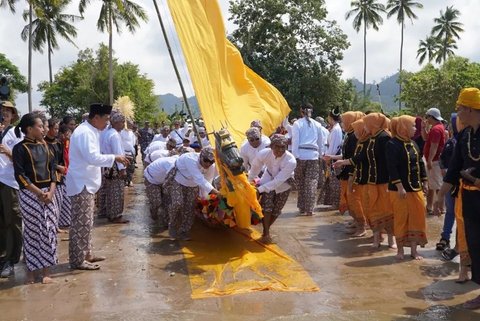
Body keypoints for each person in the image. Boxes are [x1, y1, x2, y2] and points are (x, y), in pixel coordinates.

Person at [66, 103, 129, 270]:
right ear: (95, 118)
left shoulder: (91, 130)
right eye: (106, 119)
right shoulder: (85, 132)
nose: (107, 123)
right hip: (82, 184)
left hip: (86, 183)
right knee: (81, 223)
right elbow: (92, 158)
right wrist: (115, 157)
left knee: (87, 221)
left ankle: (87, 253)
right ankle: (77, 260)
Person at [435, 88, 480, 309]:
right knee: (475, 244)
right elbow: (453, 170)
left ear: (471, 109)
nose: (458, 112)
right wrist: (440, 195)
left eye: (461, 108)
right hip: (470, 200)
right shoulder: (464, 136)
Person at [335, 113, 395, 248]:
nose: (364, 125)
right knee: (372, 210)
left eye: (366, 123)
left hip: (383, 181)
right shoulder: (371, 139)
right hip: (371, 181)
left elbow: (389, 161)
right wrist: (343, 162)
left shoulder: (384, 138)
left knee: (386, 210)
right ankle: (376, 237)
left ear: (373, 124)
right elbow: (361, 157)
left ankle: (390, 240)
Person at [12, 113, 57, 284]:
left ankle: (47, 270)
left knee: (48, 231)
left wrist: (51, 192)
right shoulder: (20, 148)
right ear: (29, 129)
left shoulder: (47, 147)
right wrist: (38, 193)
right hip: (30, 194)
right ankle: (31, 270)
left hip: (48, 193)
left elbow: (53, 172)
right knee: (32, 232)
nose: (43, 129)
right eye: (40, 126)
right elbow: (21, 176)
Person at [386, 116, 428, 260]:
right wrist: (399, 187)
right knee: (401, 218)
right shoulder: (392, 144)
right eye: (412, 126)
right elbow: (392, 167)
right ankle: (400, 251)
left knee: (417, 217)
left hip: (415, 188)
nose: (415, 129)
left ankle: (414, 251)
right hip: (400, 190)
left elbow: (420, 163)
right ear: (403, 127)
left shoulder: (414, 144)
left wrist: (425, 182)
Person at [248, 134, 296, 243]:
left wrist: (259, 190)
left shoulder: (291, 161)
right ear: (271, 146)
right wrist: (249, 182)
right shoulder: (263, 154)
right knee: (267, 205)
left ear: (286, 147)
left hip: (284, 183)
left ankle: (266, 230)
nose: (280, 150)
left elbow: (278, 181)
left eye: (283, 147)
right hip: (268, 178)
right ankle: (266, 233)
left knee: (277, 209)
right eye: (277, 146)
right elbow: (255, 168)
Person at [164, 147, 218, 240]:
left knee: (190, 208)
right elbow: (199, 179)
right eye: (206, 160)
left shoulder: (211, 167)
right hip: (178, 181)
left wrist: (204, 199)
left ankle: (183, 231)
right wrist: (217, 193)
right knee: (177, 203)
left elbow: (208, 181)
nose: (208, 164)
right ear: (200, 156)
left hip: (193, 185)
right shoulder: (190, 159)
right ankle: (172, 224)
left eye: (211, 161)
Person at [324, 111, 364, 217]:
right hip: (347, 170)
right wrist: (334, 158)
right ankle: (357, 221)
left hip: (353, 172)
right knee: (349, 198)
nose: (342, 124)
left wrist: (343, 162)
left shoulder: (354, 138)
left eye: (344, 122)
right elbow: (346, 155)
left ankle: (361, 223)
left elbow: (354, 157)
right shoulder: (349, 136)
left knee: (354, 198)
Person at [0, 101, 23, 278]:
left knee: (11, 220)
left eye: (8, 112)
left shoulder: (17, 133)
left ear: (13, 115)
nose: (4, 114)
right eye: (2, 111)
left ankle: (11, 259)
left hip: (8, 181)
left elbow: (22, 160)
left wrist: (7, 151)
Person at [291, 103, 324, 216]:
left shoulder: (297, 124)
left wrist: (295, 157)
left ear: (301, 111)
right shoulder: (317, 125)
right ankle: (309, 209)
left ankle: (302, 207)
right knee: (311, 182)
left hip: (300, 155)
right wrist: (320, 155)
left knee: (301, 182)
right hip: (313, 156)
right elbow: (320, 142)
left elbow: (295, 141)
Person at [99, 111, 129, 224]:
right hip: (115, 166)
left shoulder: (107, 133)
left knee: (110, 191)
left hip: (107, 165)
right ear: (116, 122)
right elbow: (118, 153)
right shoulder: (114, 135)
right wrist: (122, 169)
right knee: (117, 191)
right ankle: (116, 215)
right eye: (122, 122)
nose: (123, 124)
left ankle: (111, 214)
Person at [45, 118, 67, 232]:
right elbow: (47, 160)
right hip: (49, 176)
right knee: (51, 202)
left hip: (59, 176)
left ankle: (57, 225)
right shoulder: (44, 143)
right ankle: (52, 226)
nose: (57, 131)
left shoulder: (58, 143)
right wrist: (58, 167)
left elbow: (61, 159)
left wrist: (61, 168)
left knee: (58, 202)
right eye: (55, 128)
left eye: (58, 128)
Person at [144, 155, 179, 226]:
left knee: (168, 201)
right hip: (152, 179)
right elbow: (172, 178)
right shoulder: (171, 164)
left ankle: (166, 221)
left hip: (164, 181)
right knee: (156, 201)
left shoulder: (181, 164)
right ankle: (153, 212)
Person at [423, 107, 446, 215]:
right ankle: (430, 207)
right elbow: (425, 138)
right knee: (432, 185)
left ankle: (441, 208)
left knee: (437, 186)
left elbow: (434, 146)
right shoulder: (436, 128)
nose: (426, 119)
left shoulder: (436, 129)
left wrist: (430, 160)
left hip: (435, 160)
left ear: (432, 117)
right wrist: (424, 128)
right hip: (434, 160)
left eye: (427, 117)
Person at [322, 107, 344, 209]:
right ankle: (335, 202)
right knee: (332, 180)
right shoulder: (335, 128)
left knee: (334, 181)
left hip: (333, 157)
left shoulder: (336, 129)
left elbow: (334, 146)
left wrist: (328, 157)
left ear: (331, 117)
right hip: (332, 156)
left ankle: (336, 203)